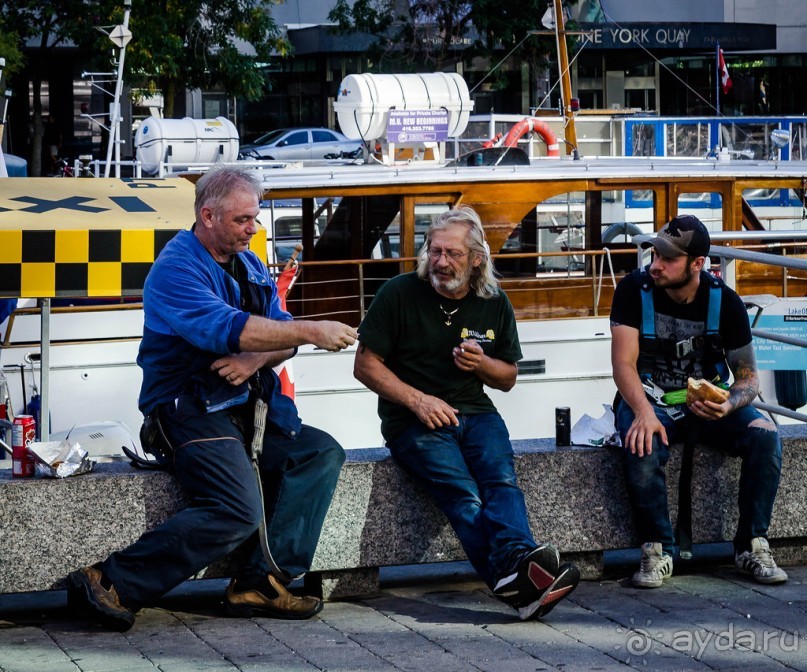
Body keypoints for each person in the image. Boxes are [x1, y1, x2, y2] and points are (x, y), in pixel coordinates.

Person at [66, 166, 358, 631]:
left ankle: (262, 582)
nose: (253, 228)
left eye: (254, 218)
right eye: (243, 219)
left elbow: (281, 336)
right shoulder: (175, 270)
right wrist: (309, 331)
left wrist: (255, 360)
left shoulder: (250, 264)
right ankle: (111, 581)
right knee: (236, 508)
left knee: (319, 453)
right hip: (186, 408)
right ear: (208, 215)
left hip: (244, 403)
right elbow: (229, 329)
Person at [353, 205, 580, 621]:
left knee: (501, 481)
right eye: (434, 250)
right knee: (463, 494)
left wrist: (481, 364)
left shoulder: (493, 300)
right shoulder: (399, 292)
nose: (440, 261)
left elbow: (507, 378)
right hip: (412, 420)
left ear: (476, 258)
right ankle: (517, 575)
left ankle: (518, 569)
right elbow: (365, 365)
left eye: (452, 253)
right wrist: (419, 401)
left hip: (475, 411)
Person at [610, 214, 786, 589]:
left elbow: (748, 378)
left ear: (697, 263)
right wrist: (642, 412)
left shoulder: (726, 302)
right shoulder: (632, 290)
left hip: (709, 404)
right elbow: (623, 364)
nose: (656, 264)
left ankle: (752, 545)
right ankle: (657, 550)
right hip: (650, 398)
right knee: (642, 441)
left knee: (765, 435)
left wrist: (729, 404)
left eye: (668, 258)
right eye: (655, 254)